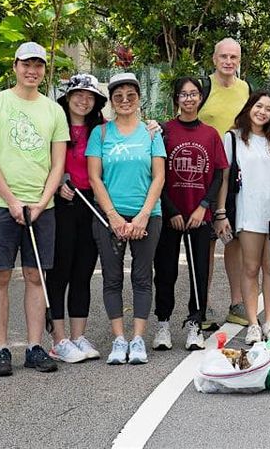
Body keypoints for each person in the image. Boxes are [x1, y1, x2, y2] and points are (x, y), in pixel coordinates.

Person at [0, 41, 69, 377]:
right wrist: (12, 201)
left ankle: (33, 346)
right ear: (15, 66)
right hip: (1, 205)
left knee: (35, 276)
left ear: (45, 71)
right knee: (0, 275)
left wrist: (43, 202)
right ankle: (1, 348)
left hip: (43, 207)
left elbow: (58, 163)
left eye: (39, 66)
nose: (32, 71)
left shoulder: (53, 110)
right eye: (26, 64)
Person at [87, 72, 166, 366]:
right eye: (118, 96)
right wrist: (113, 217)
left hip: (148, 216)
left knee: (142, 277)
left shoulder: (151, 133)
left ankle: (138, 339)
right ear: (111, 101)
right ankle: (119, 340)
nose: (124, 101)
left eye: (130, 96)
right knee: (112, 278)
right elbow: (95, 177)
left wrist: (144, 215)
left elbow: (159, 176)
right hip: (110, 216)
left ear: (138, 99)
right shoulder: (101, 134)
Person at [155, 77, 228, 351]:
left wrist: (203, 207)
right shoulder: (164, 132)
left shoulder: (210, 134)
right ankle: (163, 322)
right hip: (169, 213)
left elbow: (219, 174)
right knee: (165, 270)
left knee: (200, 270)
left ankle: (196, 322)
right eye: (183, 94)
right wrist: (171, 209)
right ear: (176, 98)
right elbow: (155, 174)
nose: (188, 99)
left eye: (194, 94)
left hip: (200, 214)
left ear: (200, 98)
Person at [220, 91, 270, 344]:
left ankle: (269, 321)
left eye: (268, 109)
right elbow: (224, 177)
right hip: (248, 212)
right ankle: (253, 323)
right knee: (250, 267)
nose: (262, 112)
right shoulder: (234, 138)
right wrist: (221, 212)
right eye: (258, 106)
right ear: (249, 107)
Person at [47, 73, 107, 364]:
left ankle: (77, 336)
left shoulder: (103, 130)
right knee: (60, 272)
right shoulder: (54, 126)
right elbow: (44, 163)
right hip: (61, 205)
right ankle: (58, 339)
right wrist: (57, 186)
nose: (83, 101)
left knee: (83, 272)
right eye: (78, 95)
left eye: (89, 96)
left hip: (91, 204)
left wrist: (151, 126)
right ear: (67, 98)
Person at [197, 38, 251, 327]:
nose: (229, 62)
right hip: (205, 175)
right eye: (224, 56)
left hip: (236, 174)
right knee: (205, 245)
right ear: (214, 58)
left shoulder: (245, 89)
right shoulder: (203, 87)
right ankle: (201, 307)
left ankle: (237, 303)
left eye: (234, 57)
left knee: (235, 241)